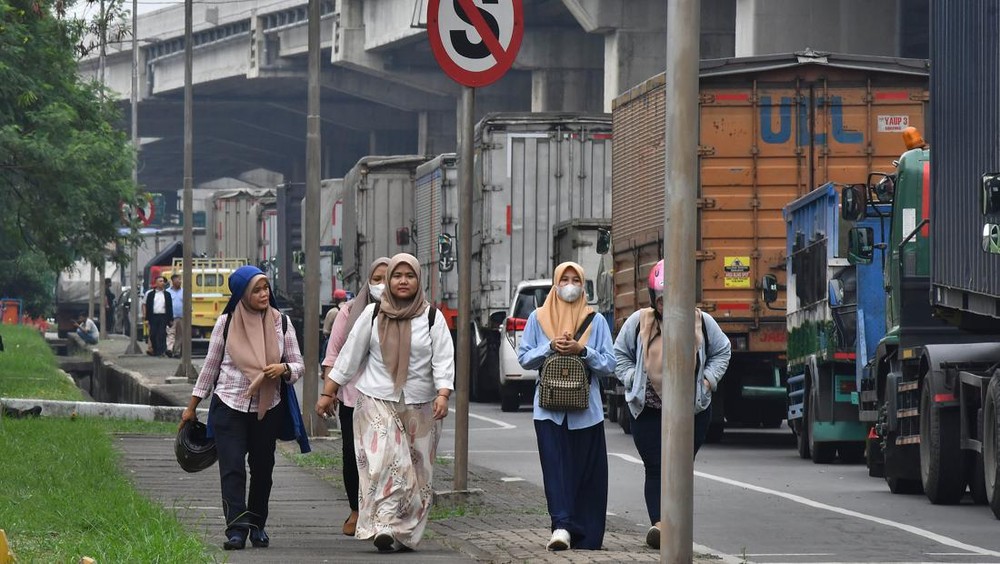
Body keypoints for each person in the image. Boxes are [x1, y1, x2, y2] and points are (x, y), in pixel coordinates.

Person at [318, 253, 454, 552]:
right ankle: (383, 524)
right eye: (397, 276)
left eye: (410, 276)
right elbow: (349, 357)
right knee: (389, 463)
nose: (403, 281)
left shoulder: (432, 317)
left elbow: (444, 360)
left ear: (419, 280)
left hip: (420, 403)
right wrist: (329, 392)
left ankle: (403, 533)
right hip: (375, 399)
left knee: (419, 475)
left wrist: (443, 394)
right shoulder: (372, 314)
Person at [179, 265, 304, 551]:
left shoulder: (282, 323)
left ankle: (257, 525)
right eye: (256, 290)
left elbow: (299, 365)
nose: (264, 294)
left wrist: (284, 368)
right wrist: (191, 407)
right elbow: (210, 367)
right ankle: (236, 529)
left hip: (267, 408)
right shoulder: (226, 323)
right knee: (232, 468)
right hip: (229, 404)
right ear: (242, 294)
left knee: (263, 469)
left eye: (265, 288)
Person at [613, 259, 731, 549]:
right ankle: (660, 526)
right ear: (654, 299)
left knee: (680, 468)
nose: (668, 305)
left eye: (675, 297)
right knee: (655, 467)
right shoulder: (639, 322)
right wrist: (632, 378)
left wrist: (708, 381)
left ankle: (677, 525)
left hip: (692, 411)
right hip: (648, 410)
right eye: (662, 299)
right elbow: (619, 355)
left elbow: (722, 351)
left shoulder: (702, 322)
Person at [516, 261, 616, 552]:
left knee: (587, 473)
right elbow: (524, 358)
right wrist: (550, 347)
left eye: (575, 280)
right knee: (555, 469)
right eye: (564, 279)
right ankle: (561, 526)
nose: (570, 285)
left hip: (587, 411)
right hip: (548, 411)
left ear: (583, 286)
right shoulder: (538, 318)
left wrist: (583, 351)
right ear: (555, 284)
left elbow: (609, 364)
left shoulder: (595, 321)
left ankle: (586, 535)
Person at [315, 258, 389, 537]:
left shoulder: (410, 313)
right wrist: (329, 391)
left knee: (386, 458)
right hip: (352, 398)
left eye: (388, 277)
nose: (382, 284)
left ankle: (383, 513)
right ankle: (356, 510)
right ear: (368, 281)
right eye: (377, 278)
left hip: (389, 399)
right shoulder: (349, 312)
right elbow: (333, 355)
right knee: (353, 455)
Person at [143, 276, 172, 357]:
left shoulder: (167, 294)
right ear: (156, 283)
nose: (162, 283)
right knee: (153, 334)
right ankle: (155, 349)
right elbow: (148, 307)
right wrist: (146, 318)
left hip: (163, 316)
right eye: (160, 281)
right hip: (153, 317)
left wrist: (170, 319)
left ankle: (161, 351)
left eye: (163, 281)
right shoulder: (151, 294)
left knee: (162, 334)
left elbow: (169, 307)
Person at [166, 274, 184, 357]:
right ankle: (169, 349)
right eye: (177, 280)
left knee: (180, 335)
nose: (179, 282)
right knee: (171, 333)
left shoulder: (184, 292)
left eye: (180, 280)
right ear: (172, 281)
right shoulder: (167, 292)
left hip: (182, 317)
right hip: (171, 317)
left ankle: (177, 351)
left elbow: (188, 303)